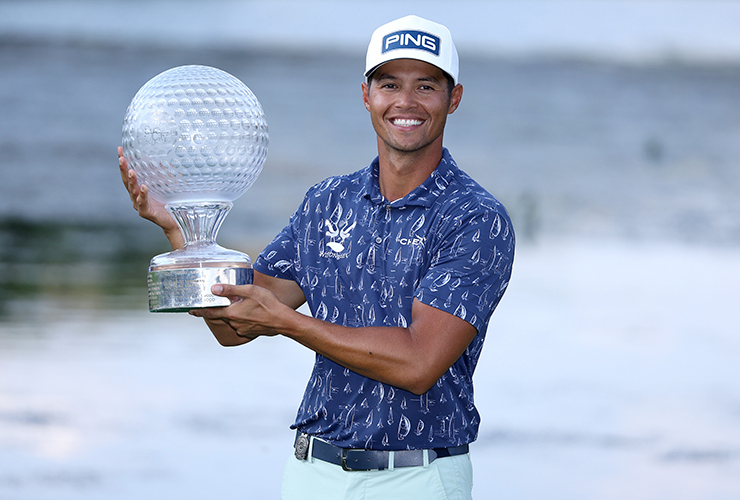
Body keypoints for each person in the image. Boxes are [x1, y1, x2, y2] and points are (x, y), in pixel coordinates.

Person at [119, 15, 514, 500]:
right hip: (313, 471)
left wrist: (288, 322)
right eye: (390, 84)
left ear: (453, 99)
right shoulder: (328, 201)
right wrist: (182, 232)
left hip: (417, 476)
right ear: (366, 95)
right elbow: (234, 325)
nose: (405, 102)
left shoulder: (475, 218)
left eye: (426, 86)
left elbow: (419, 363)